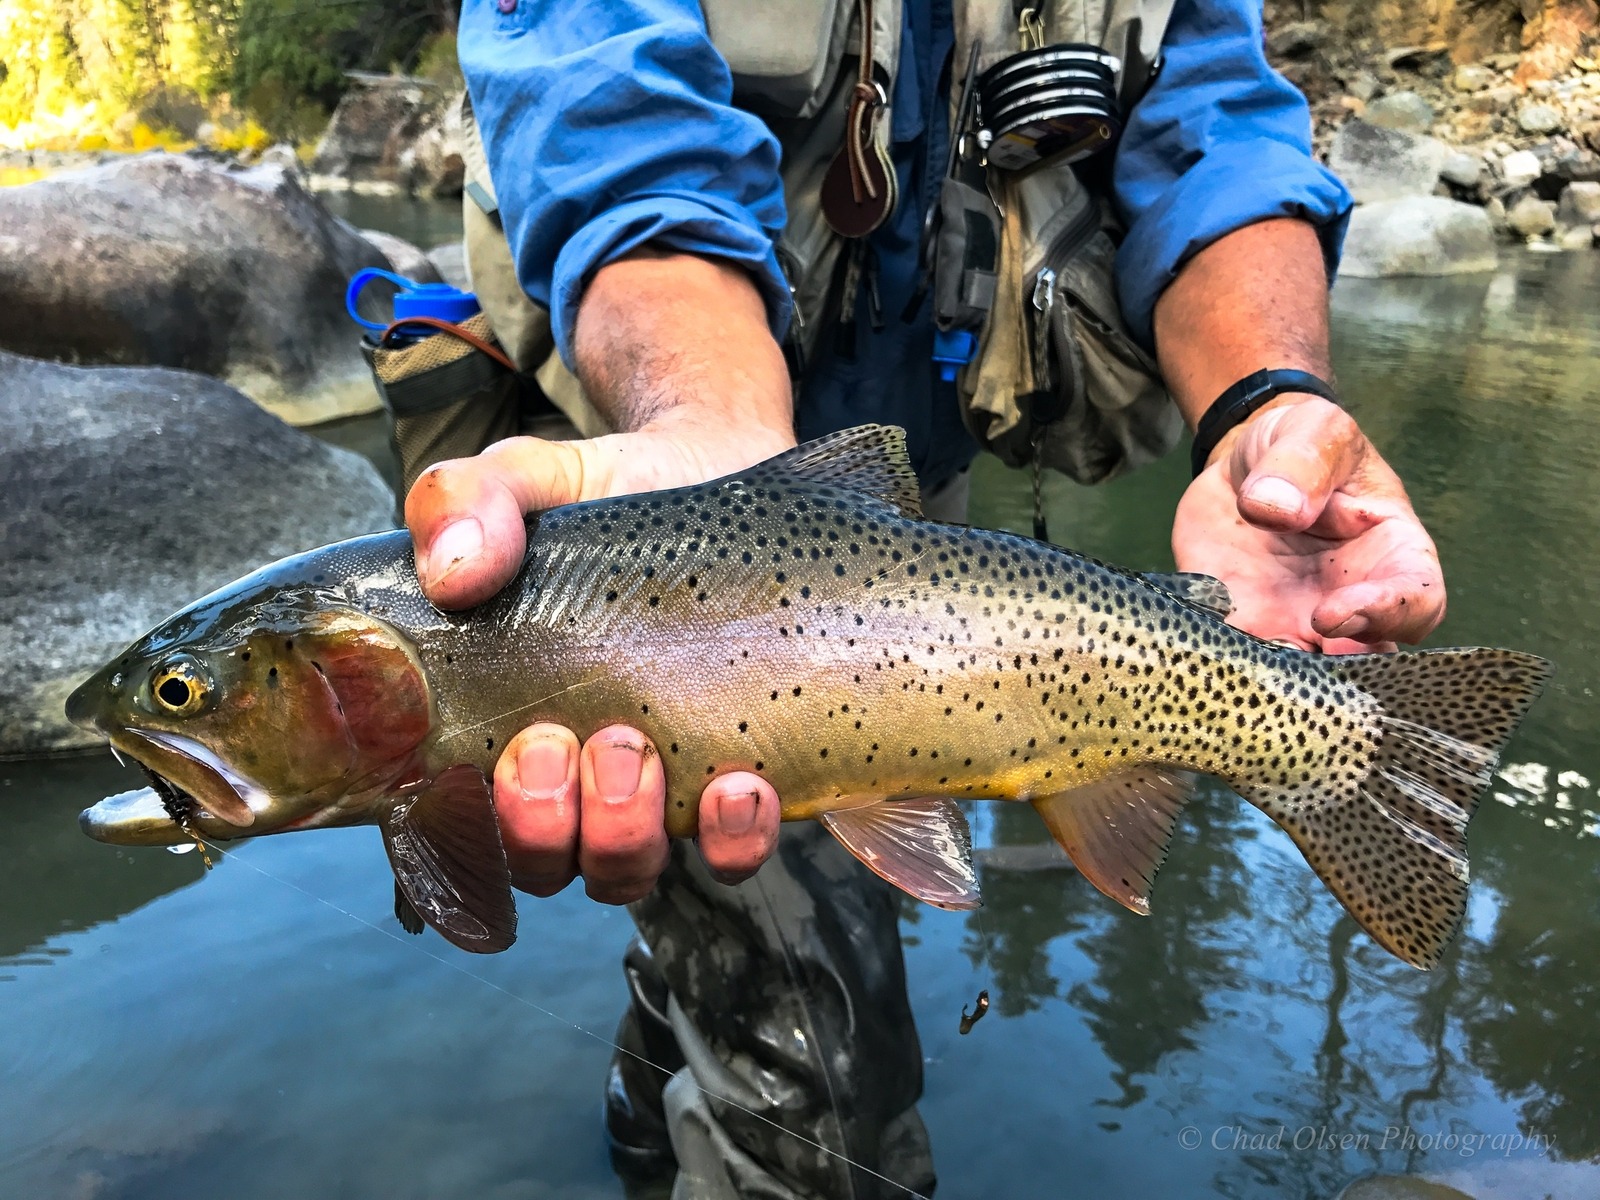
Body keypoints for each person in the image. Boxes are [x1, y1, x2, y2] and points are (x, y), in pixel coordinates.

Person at [400, 1, 1448, 1194]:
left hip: (903, 530)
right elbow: (612, 135)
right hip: (645, 499)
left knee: (739, 896)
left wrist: (1266, 400)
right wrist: (712, 435)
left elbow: (1211, 129)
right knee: (823, 1085)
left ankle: (649, 1123)